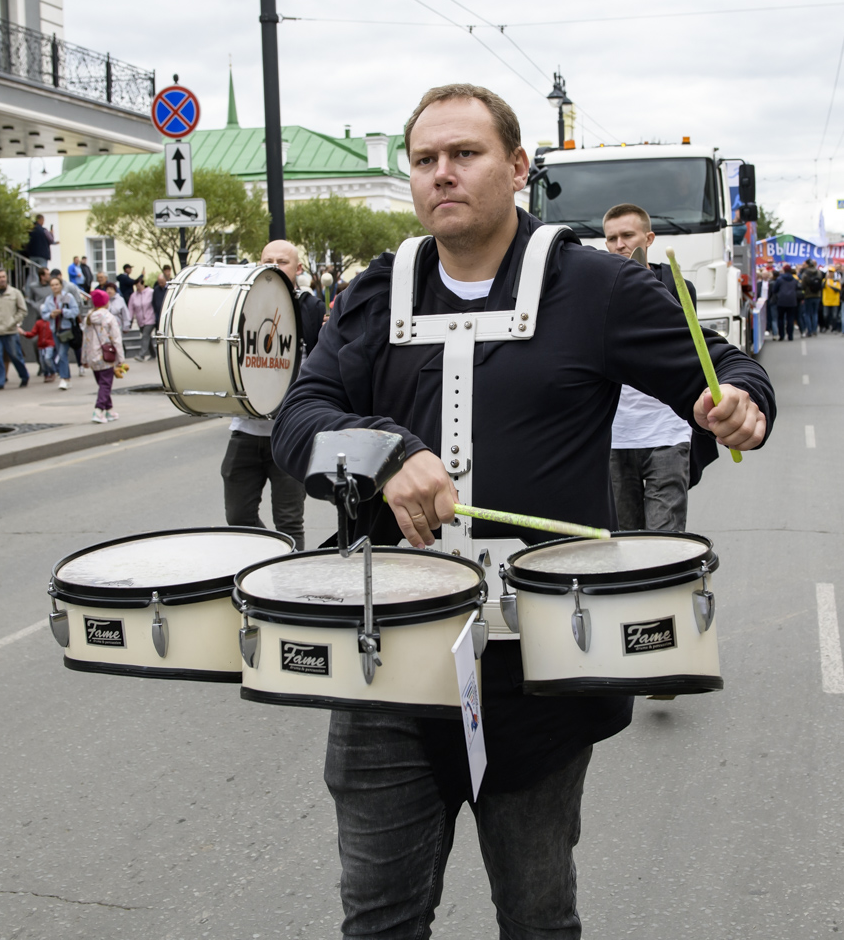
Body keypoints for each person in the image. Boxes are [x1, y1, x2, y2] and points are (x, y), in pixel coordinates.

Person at [271, 84, 775, 940]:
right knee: (379, 921)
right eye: (425, 160)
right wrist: (384, 451)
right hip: (383, 654)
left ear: (516, 168)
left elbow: (720, 369)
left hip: (534, 663)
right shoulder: (376, 290)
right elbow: (298, 422)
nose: (442, 175)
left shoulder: (598, 286)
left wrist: (741, 402)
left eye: (463, 154)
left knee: (539, 918)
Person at [220, 239, 326, 549]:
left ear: (298, 269)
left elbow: (323, 364)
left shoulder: (310, 307)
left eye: (282, 262)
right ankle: (269, 556)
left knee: (290, 521)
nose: (274, 266)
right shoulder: (240, 304)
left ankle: (288, 583)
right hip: (244, 430)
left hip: (288, 434)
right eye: (268, 260)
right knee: (237, 517)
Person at [603, 203, 699, 532]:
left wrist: (643, 284)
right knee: (625, 540)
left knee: (665, 539)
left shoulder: (677, 288)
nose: (620, 244)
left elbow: (687, 347)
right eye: (612, 238)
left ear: (649, 237)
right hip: (615, 436)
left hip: (667, 432)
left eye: (628, 235)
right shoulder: (594, 291)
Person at [81, 289, 124, 423]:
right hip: (106, 356)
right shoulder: (109, 317)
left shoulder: (88, 318)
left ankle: (109, 410)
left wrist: (84, 359)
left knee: (102, 384)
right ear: (105, 302)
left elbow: (85, 339)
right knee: (106, 385)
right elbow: (116, 339)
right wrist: (121, 359)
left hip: (92, 356)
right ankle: (98, 410)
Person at [0, 269, 30, 390]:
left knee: (15, 355)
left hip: (10, 331)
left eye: (3, 276)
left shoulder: (15, 293)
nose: (2, 279)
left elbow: (23, 310)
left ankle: (24, 376)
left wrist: (13, 321)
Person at [41, 274, 79, 390]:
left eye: (57, 284)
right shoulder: (49, 299)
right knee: (61, 354)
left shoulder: (66, 297)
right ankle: (67, 378)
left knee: (62, 353)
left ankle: (64, 378)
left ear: (61, 285)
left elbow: (75, 311)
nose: (54, 287)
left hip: (66, 329)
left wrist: (62, 312)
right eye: (52, 285)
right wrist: (50, 315)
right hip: (55, 329)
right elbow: (44, 314)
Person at [18, 313, 57, 382]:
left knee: (47, 358)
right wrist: (24, 333)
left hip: (50, 344)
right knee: (42, 362)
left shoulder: (52, 322)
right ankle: (46, 374)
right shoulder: (39, 323)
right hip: (41, 345)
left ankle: (53, 372)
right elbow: (33, 333)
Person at [128, 273, 156, 361]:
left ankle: (141, 355)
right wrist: (129, 319)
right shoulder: (133, 296)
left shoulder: (151, 292)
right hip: (140, 321)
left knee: (145, 335)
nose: (138, 288)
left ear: (143, 284)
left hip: (150, 319)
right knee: (147, 337)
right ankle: (153, 354)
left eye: (139, 285)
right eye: (136, 286)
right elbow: (131, 309)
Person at [770, 263, 800, 340]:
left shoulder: (779, 279)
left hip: (781, 301)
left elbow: (774, 290)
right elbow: (798, 289)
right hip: (792, 301)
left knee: (781, 319)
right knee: (790, 318)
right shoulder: (794, 280)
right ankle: (790, 335)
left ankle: (781, 335)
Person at [24, 214, 54, 286]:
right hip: (42, 255)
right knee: (43, 273)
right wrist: (52, 233)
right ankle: (42, 287)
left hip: (32, 255)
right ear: (40, 220)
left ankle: (29, 290)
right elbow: (51, 240)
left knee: (32, 274)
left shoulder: (30, 231)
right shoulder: (44, 231)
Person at [800, 258, 822, 337]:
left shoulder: (805, 273)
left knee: (807, 313)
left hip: (808, 295)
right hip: (817, 295)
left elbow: (803, 285)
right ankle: (814, 330)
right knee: (815, 313)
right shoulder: (818, 272)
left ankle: (809, 331)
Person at [821, 267, 841, 333]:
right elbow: (821, 287)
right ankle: (826, 327)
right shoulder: (825, 280)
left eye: (831, 272)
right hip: (826, 301)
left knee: (834, 316)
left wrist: (831, 286)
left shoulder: (836, 281)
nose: (830, 274)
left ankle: (834, 328)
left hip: (834, 301)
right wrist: (826, 279)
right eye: (829, 272)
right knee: (825, 315)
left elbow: (838, 289)